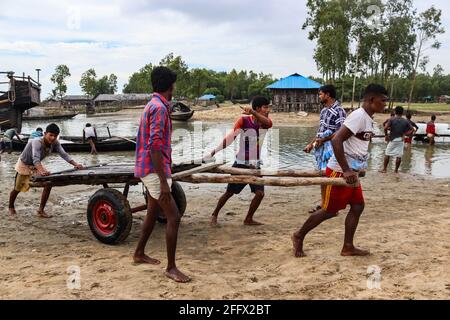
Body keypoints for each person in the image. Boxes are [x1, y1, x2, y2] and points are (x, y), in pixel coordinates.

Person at [292, 84, 388, 258]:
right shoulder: (358, 116)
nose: (385, 104)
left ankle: (348, 246)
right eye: (383, 100)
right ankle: (298, 235)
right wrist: (346, 170)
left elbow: (356, 142)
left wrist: (356, 167)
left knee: (358, 206)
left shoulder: (368, 118)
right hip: (339, 170)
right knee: (329, 210)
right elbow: (337, 140)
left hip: (352, 171)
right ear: (371, 100)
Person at [133, 66, 190, 283]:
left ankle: (138, 253)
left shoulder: (153, 105)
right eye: (173, 84)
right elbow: (154, 146)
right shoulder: (158, 108)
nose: (174, 87)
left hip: (152, 167)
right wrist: (164, 184)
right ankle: (171, 268)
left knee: (151, 211)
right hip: (153, 169)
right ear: (170, 86)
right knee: (173, 217)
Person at [206, 96, 273, 226]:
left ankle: (248, 218)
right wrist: (215, 151)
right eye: (265, 107)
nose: (268, 110)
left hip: (255, 164)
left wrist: (253, 112)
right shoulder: (243, 121)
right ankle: (214, 214)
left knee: (259, 193)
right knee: (230, 192)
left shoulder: (265, 123)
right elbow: (230, 138)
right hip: (241, 162)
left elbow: (269, 123)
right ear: (258, 108)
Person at [8, 123, 83, 218]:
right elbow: (35, 158)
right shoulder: (36, 142)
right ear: (45, 133)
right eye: (50, 135)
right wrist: (42, 171)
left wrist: (76, 164)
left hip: (36, 166)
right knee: (17, 188)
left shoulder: (55, 143)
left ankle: (41, 210)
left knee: (48, 183)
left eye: (55, 136)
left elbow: (64, 154)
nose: (52, 138)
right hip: (24, 165)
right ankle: (11, 207)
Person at [303, 85, 346, 213]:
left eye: (321, 94)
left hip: (333, 147)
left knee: (330, 175)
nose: (319, 96)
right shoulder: (323, 111)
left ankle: (330, 205)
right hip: (321, 146)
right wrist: (311, 144)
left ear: (328, 95)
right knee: (323, 175)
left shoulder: (339, 110)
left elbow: (341, 131)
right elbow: (320, 131)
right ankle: (324, 203)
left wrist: (324, 140)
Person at [381, 106, 413, 174]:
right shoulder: (405, 121)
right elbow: (412, 129)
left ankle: (384, 169)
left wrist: (386, 135)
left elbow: (385, 128)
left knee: (387, 154)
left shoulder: (392, 119)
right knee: (399, 155)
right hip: (401, 140)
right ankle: (396, 170)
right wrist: (405, 134)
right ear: (402, 112)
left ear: (395, 112)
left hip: (393, 139)